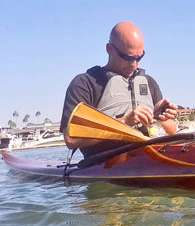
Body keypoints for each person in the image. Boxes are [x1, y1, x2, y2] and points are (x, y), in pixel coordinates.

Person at [60, 21, 179, 157]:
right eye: (127, 57)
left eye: (139, 57)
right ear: (109, 49)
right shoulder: (84, 84)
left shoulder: (149, 82)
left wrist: (161, 119)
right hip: (105, 166)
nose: (134, 64)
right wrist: (125, 122)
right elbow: (71, 139)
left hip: (149, 158)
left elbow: (170, 130)